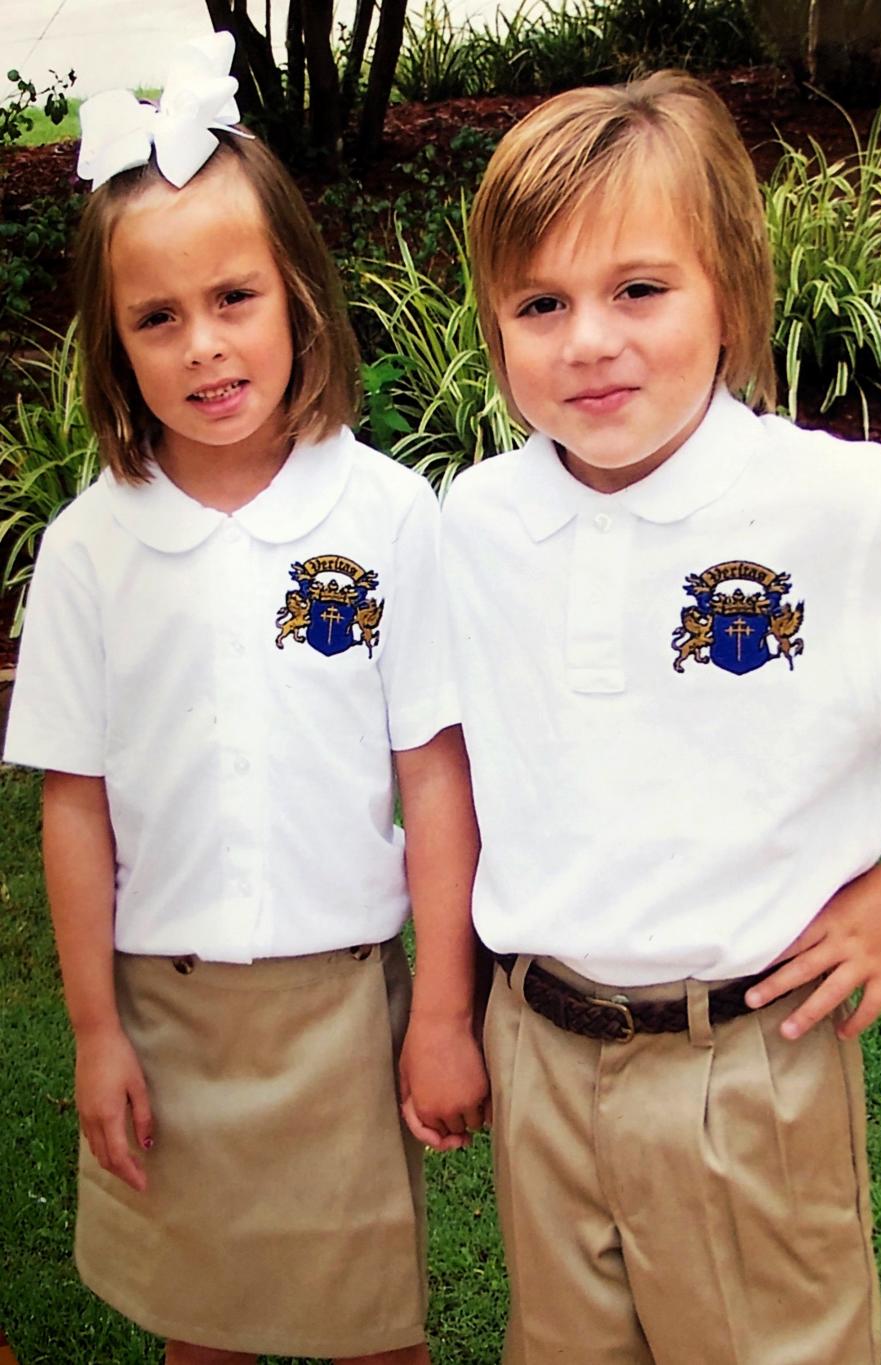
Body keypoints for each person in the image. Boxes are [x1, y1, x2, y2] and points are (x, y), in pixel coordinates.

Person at [442, 69, 881, 1364]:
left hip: (746, 1064)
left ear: (727, 286)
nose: (589, 340)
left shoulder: (838, 510)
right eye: (541, 304)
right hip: (540, 1057)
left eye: (639, 289)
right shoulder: (477, 523)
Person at [4, 33, 486, 1365]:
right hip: (167, 1014)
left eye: (235, 298)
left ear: (299, 298)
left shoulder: (388, 513)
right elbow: (74, 805)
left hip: (343, 1006)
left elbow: (436, 776)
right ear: (114, 343)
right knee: (200, 1327)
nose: (204, 345)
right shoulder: (90, 548)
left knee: (371, 1328)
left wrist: (441, 1009)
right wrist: (95, 1030)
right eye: (158, 318)